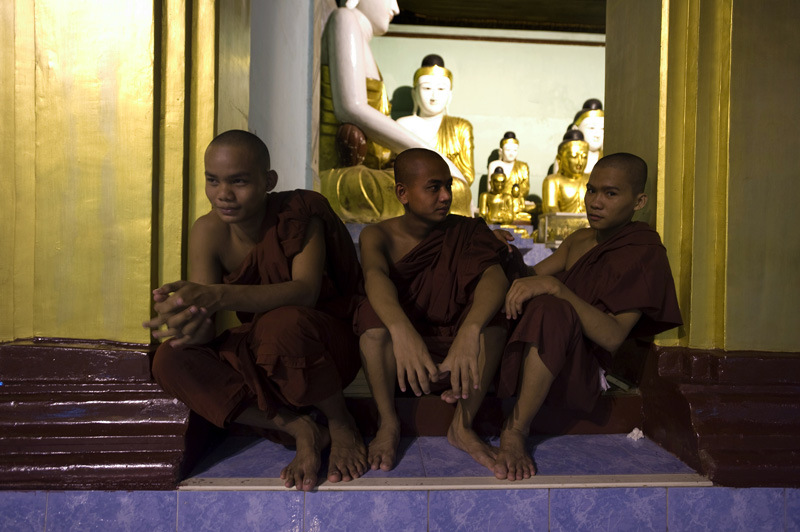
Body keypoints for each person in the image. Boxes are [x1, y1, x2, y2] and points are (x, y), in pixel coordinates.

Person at [144, 130, 366, 492]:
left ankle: (340, 422)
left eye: (239, 182)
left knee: (284, 323)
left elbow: (305, 293)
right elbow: (207, 330)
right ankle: (298, 427)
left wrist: (216, 295)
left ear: (268, 181)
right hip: (263, 351)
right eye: (212, 181)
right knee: (170, 358)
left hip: (320, 344)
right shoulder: (208, 231)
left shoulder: (299, 215)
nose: (223, 194)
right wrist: (185, 316)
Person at [494, 153, 682, 480]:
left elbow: (611, 336)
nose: (595, 202)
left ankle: (516, 429)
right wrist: (500, 251)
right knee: (496, 286)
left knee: (551, 308)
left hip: (583, 368)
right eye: (591, 190)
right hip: (544, 349)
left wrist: (556, 289)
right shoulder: (579, 239)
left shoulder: (642, 251)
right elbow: (528, 279)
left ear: (639, 201)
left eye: (610, 194)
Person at [355, 148, 511, 472]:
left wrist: (470, 330)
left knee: (492, 323)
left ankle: (462, 425)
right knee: (371, 320)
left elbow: (494, 276)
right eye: (434, 187)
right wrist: (402, 332)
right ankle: (388, 422)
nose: (445, 196)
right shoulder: (377, 234)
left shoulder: (466, 231)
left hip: (459, 354)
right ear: (403, 193)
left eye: (449, 187)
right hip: (405, 358)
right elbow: (374, 277)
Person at [319, 0, 468, 222]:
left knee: (454, 191)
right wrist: (436, 159)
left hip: (368, 171)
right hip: (342, 177)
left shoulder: (360, 39)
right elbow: (350, 107)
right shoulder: (345, 19)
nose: (396, 9)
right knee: (450, 192)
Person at [396, 54, 474, 216]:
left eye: (440, 89)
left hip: (445, 190)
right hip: (412, 190)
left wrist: (434, 184)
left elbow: (467, 175)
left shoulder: (461, 127)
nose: (433, 96)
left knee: (459, 190)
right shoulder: (403, 124)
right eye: (426, 88)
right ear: (414, 94)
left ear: (450, 95)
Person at [542, 130, 590, 214]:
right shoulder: (553, 181)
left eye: (584, 157)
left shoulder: (591, 180)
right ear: (560, 159)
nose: (580, 162)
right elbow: (551, 209)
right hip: (562, 225)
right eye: (574, 156)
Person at [487, 131, 530, 200]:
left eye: (515, 150)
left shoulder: (523, 167)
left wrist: (516, 197)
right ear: (501, 151)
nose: (511, 153)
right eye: (508, 150)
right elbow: (490, 189)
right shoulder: (494, 165)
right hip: (498, 201)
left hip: (516, 201)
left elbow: (525, 189)